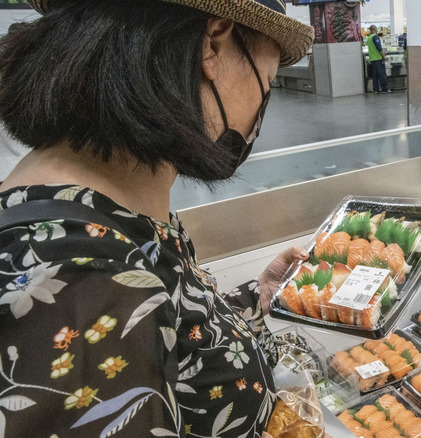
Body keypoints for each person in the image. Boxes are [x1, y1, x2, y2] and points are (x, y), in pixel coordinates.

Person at [0, 0, 319, 436]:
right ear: (213, 44)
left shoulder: (110, 210)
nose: (260, 108)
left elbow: (171, 336)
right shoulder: (83, 281)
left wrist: (258, 298)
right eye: (267, 80)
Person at [367, 25, 390, 94]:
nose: (377, 30)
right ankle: (385, 89)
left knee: (375, 75)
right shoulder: (375, 37)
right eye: (376, 28)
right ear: (374, 29)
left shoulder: (369, 38)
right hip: (378, 58)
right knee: (382, 74)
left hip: (372, 58)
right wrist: (383, 56)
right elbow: (379, 47)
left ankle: (376, 89)